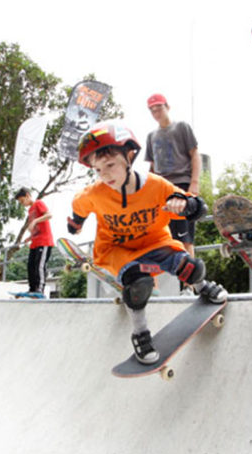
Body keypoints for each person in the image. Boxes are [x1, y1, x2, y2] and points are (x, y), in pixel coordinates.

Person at [67, 121, 227, 364]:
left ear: (129, 157)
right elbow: (78, 207)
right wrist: (75, 224)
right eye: (98, 170)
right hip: (116, 250)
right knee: (138, 284)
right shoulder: (94, 193)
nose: (105, 175)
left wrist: (185, 206)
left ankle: (202, 285)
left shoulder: (156, 186)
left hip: (155, 243)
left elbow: (197, 207)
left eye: (110, 165)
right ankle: (140, 333)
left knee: (190, 267)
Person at [144, 93, 202, 258]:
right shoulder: (151, 136)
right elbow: (152, 167)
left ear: (167, 107)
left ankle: (192, 282)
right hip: (161, 190)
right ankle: (162, 282)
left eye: (159, 108)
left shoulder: (182, 127)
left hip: (181, 185)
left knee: (185, 238)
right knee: (162, 238)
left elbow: (195, 154)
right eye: (152, 110)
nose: (156, 113)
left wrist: (194, 183)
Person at [15, 187, 54, 298]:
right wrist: (30, 237)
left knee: (39, 266)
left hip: (44, 241)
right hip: (35, 242)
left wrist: (36, 220)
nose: (22, 204)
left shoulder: (38, 203)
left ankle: (40, 289)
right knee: (30, 266)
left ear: (27, 195)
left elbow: (49, 215)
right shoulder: (30, 210)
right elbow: (36, 229)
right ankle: (32, 289)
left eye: (22, 201)